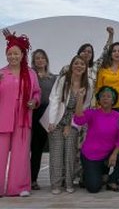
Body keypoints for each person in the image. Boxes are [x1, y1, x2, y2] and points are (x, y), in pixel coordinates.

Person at [0, 29, 41, 197]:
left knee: (21, 153)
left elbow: (37, 93)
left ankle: (18, 187)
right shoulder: (1, 73)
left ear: (22, 55)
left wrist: (34, 102)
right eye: (10, 54)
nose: (13, 57)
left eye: (16, 54)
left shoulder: (31, 74)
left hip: (23, 119)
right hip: (3, 118)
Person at [43, 55, 92, 194]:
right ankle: (56, 184)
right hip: (57, 118)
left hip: (73, 121)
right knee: (56, 153)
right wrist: (52, 122)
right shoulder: (63, 80)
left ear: (85, 68)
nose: (79, 66)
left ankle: (69, 183)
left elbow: (84, 108)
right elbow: (55, 99)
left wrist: (70, 125)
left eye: (82, 64)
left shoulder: (88, 84)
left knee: (70, 153)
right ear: (71, 66)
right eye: (76, 63)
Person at [73, 85, 119, 193]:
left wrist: (114, 154)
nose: (105, 98)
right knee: (94, 188)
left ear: (113, 100)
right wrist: (80, 98)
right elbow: (78, 120)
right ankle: (88, 175)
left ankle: (111, 180)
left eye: (109, 96)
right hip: (91, 155)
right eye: (103, 96)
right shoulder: (92, 113)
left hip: (108, 156)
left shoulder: (118, 116)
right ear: (99, 99)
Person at [30, 48, 56, 191]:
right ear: (33, 62)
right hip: (35, 113)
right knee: (36, 149)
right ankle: (32, 179)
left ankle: (59, 179)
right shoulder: (31, 76)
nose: (40, 60)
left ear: (46, 60)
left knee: (54, 148)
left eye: (42, 58)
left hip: (50, 114)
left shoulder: (53, 78)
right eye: (37, 58)